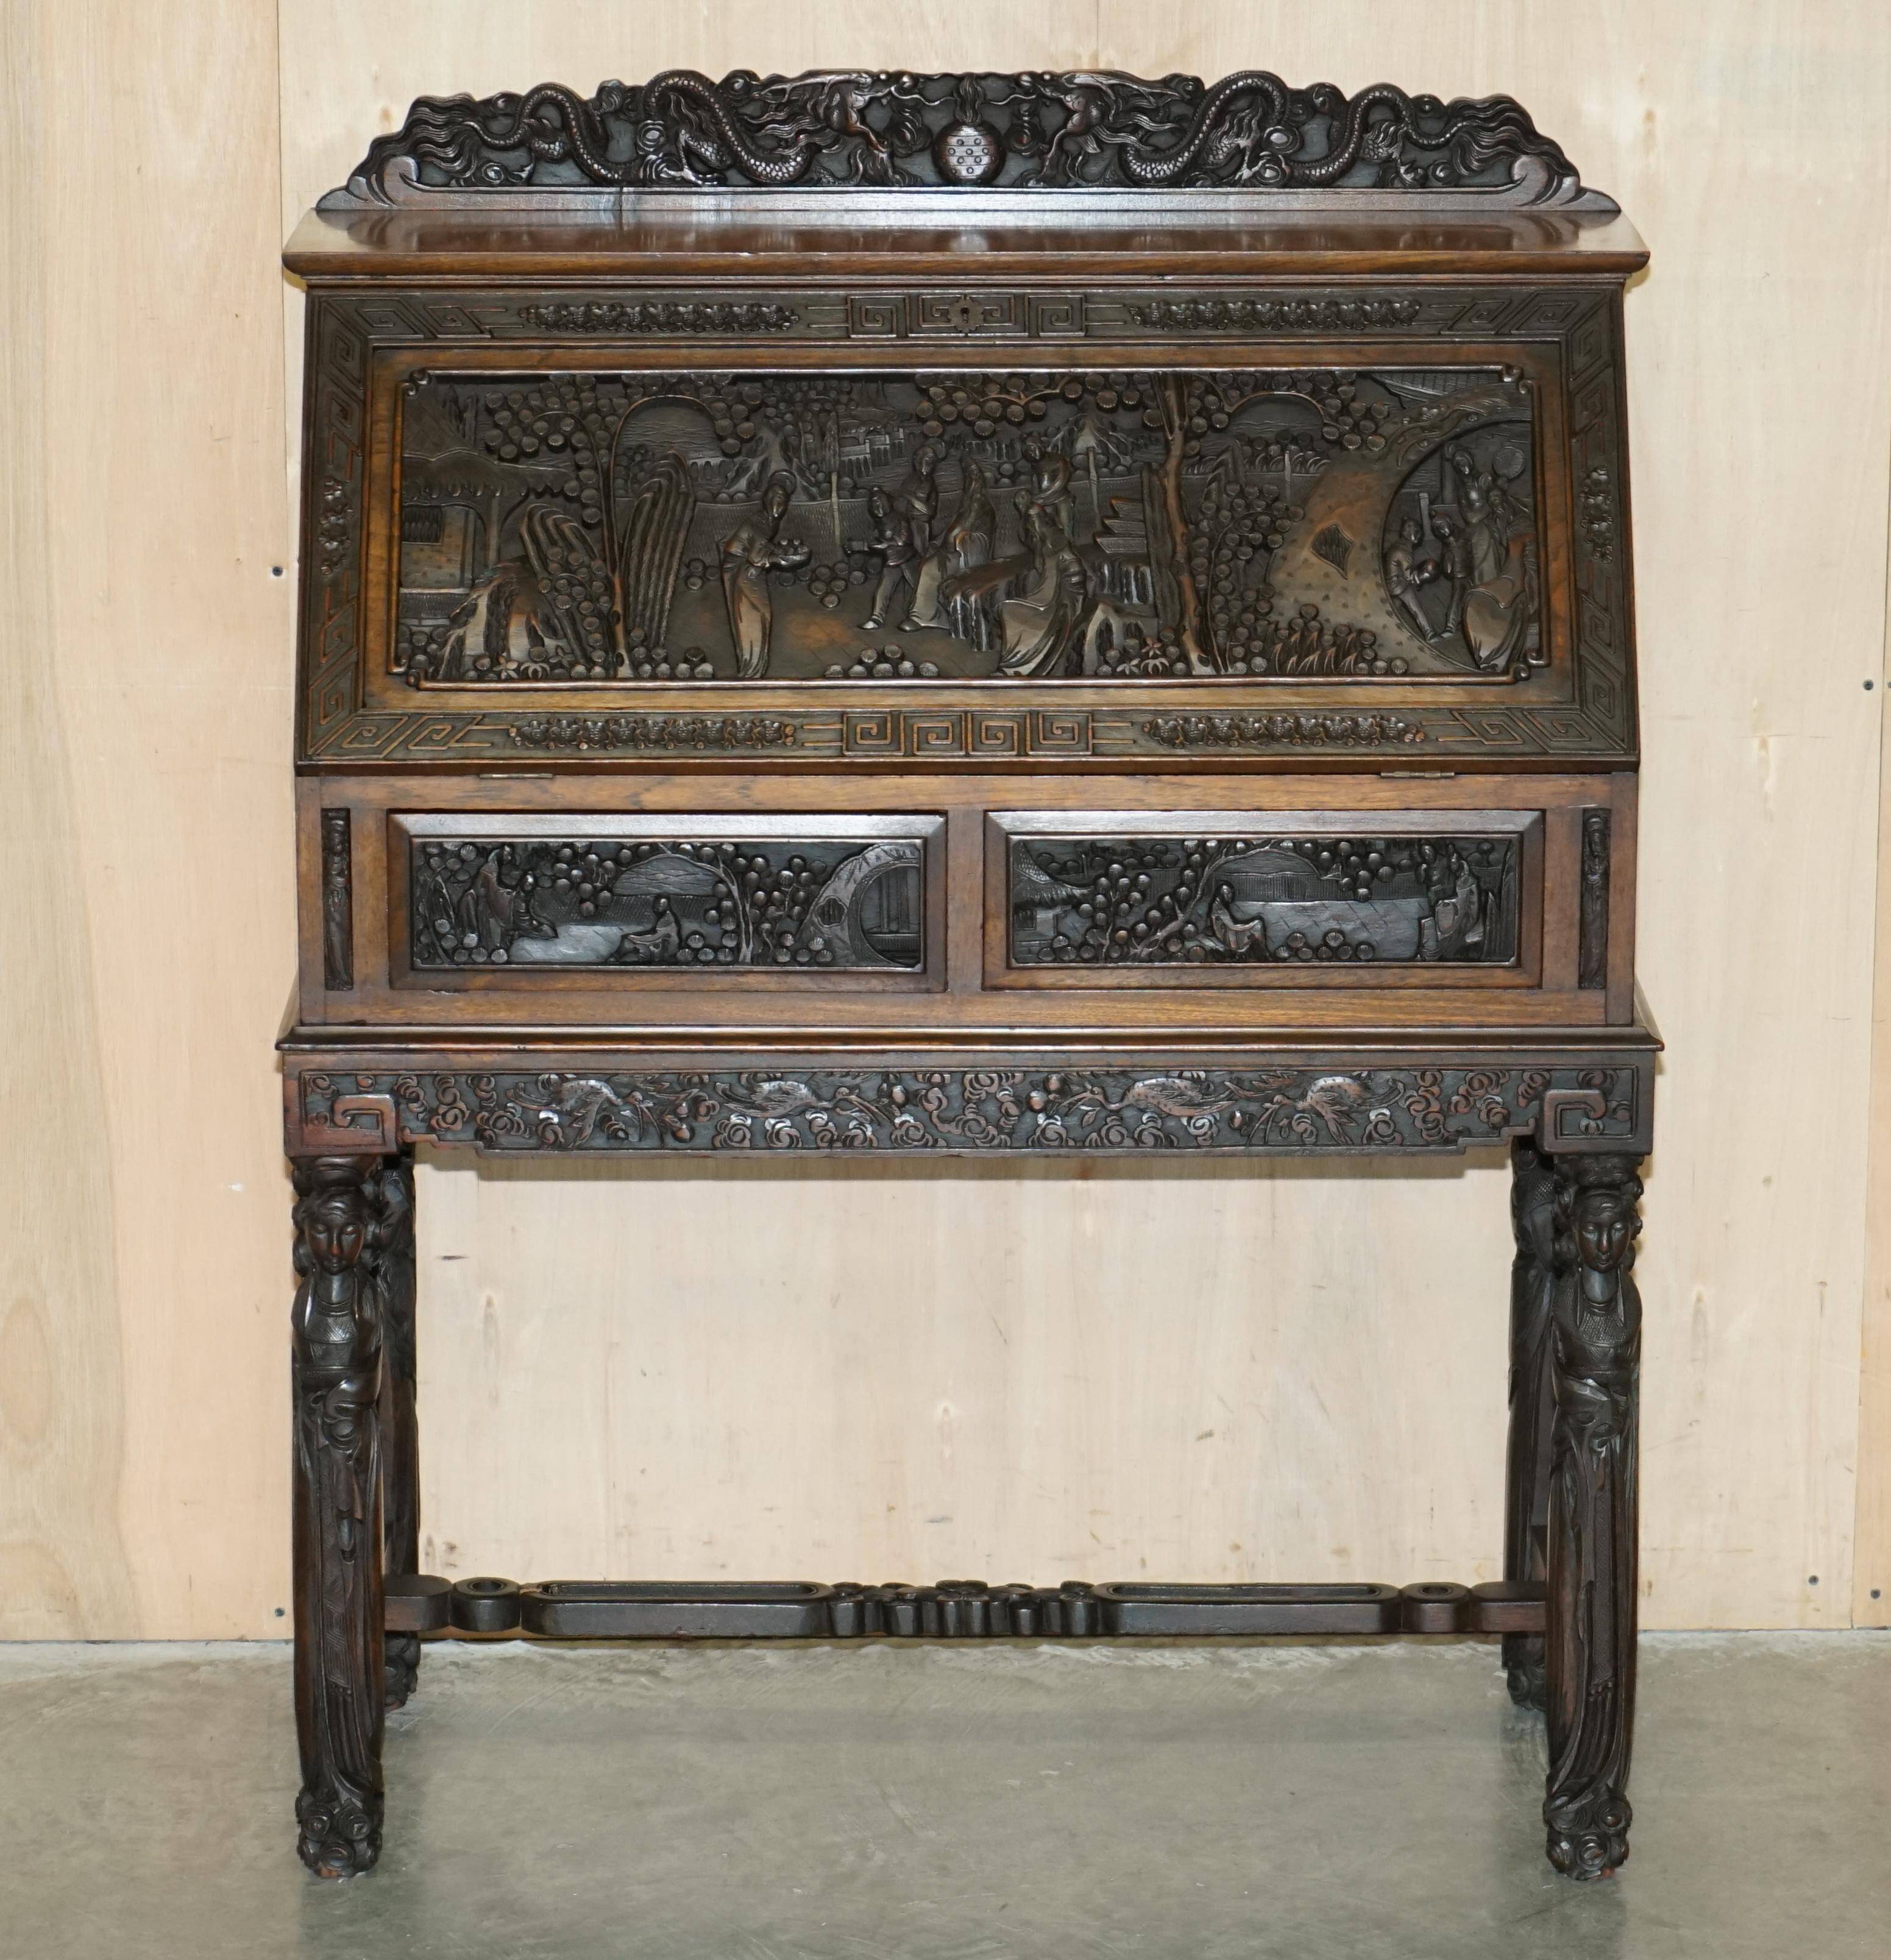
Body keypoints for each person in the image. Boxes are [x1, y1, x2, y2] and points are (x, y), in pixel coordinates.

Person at [720, 472, 808, 677]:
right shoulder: (759, 522)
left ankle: (755, 666)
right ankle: (751, 668)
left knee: (762, 615)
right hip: (741, 569)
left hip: (751, 568)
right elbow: (757, 556)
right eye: (777, 499)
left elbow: (763, 548)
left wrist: (775, 553)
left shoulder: (770, 521)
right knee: (756, 614)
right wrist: (781, 559)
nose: (781, 506)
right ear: (767, 499)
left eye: (784, 501)